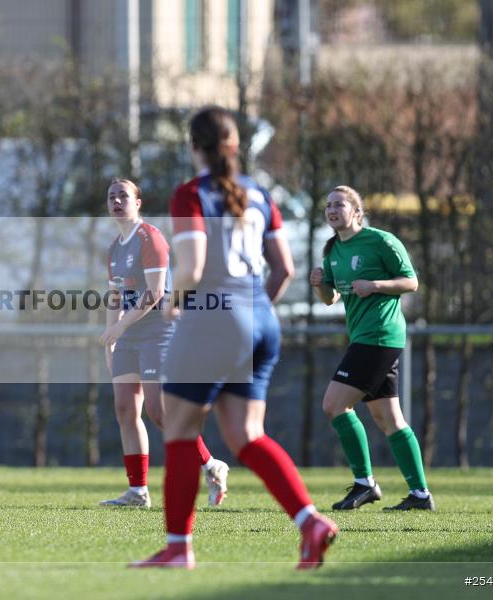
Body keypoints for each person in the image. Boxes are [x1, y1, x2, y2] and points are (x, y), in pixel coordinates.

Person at [132, 106, 337, 570]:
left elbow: (194, 266)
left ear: (194, 147)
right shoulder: (261, 193)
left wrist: (174, 302)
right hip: (261, 319)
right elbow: (284, 268)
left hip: (214, 320)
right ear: (234, 146)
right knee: (247, 435)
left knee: (181, 431)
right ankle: (310, 523)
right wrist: (249, 313)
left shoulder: (191, 193)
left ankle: (178, 548)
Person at [100, 178, 229, 508]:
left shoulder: (150, 238)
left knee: (159, 412)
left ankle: (211, 465)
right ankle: (138, 491)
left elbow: (156, 293)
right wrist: (109, 339)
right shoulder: (114, 247)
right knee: (126, 410)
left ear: (137, 203)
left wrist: (120, 328)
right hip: (128, 335)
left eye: (123, 196)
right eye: (112, 196)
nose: (117, 201)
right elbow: (115, 296)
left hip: (158, 332)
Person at [310, 185, 434, 511]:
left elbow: (411, 281)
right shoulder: (332, 251)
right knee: (388, 418)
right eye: (328, 205)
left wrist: (375, 285)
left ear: (357, 212)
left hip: (378, 336)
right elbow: (331, 299)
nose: (332, 210)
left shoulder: (381, 241)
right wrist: (320, 285)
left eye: (339, 204)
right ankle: (420, 494)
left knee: (334, 405)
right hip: (365, 338)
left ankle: (365, 484)